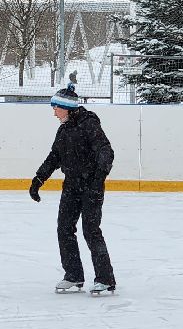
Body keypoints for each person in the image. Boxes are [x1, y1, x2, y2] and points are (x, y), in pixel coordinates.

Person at [29, 80, 117, 295]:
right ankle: (74, 275)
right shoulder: (64, 130)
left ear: (66, 107)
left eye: (56, 108)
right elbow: (54, 157)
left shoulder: (89, 125)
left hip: (91, 186)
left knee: (91, 231)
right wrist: (38, 180)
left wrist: (98, 179)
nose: (54, 113)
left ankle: (105, 279)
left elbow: (106, 151)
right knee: (64, 229)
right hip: (71, 186)